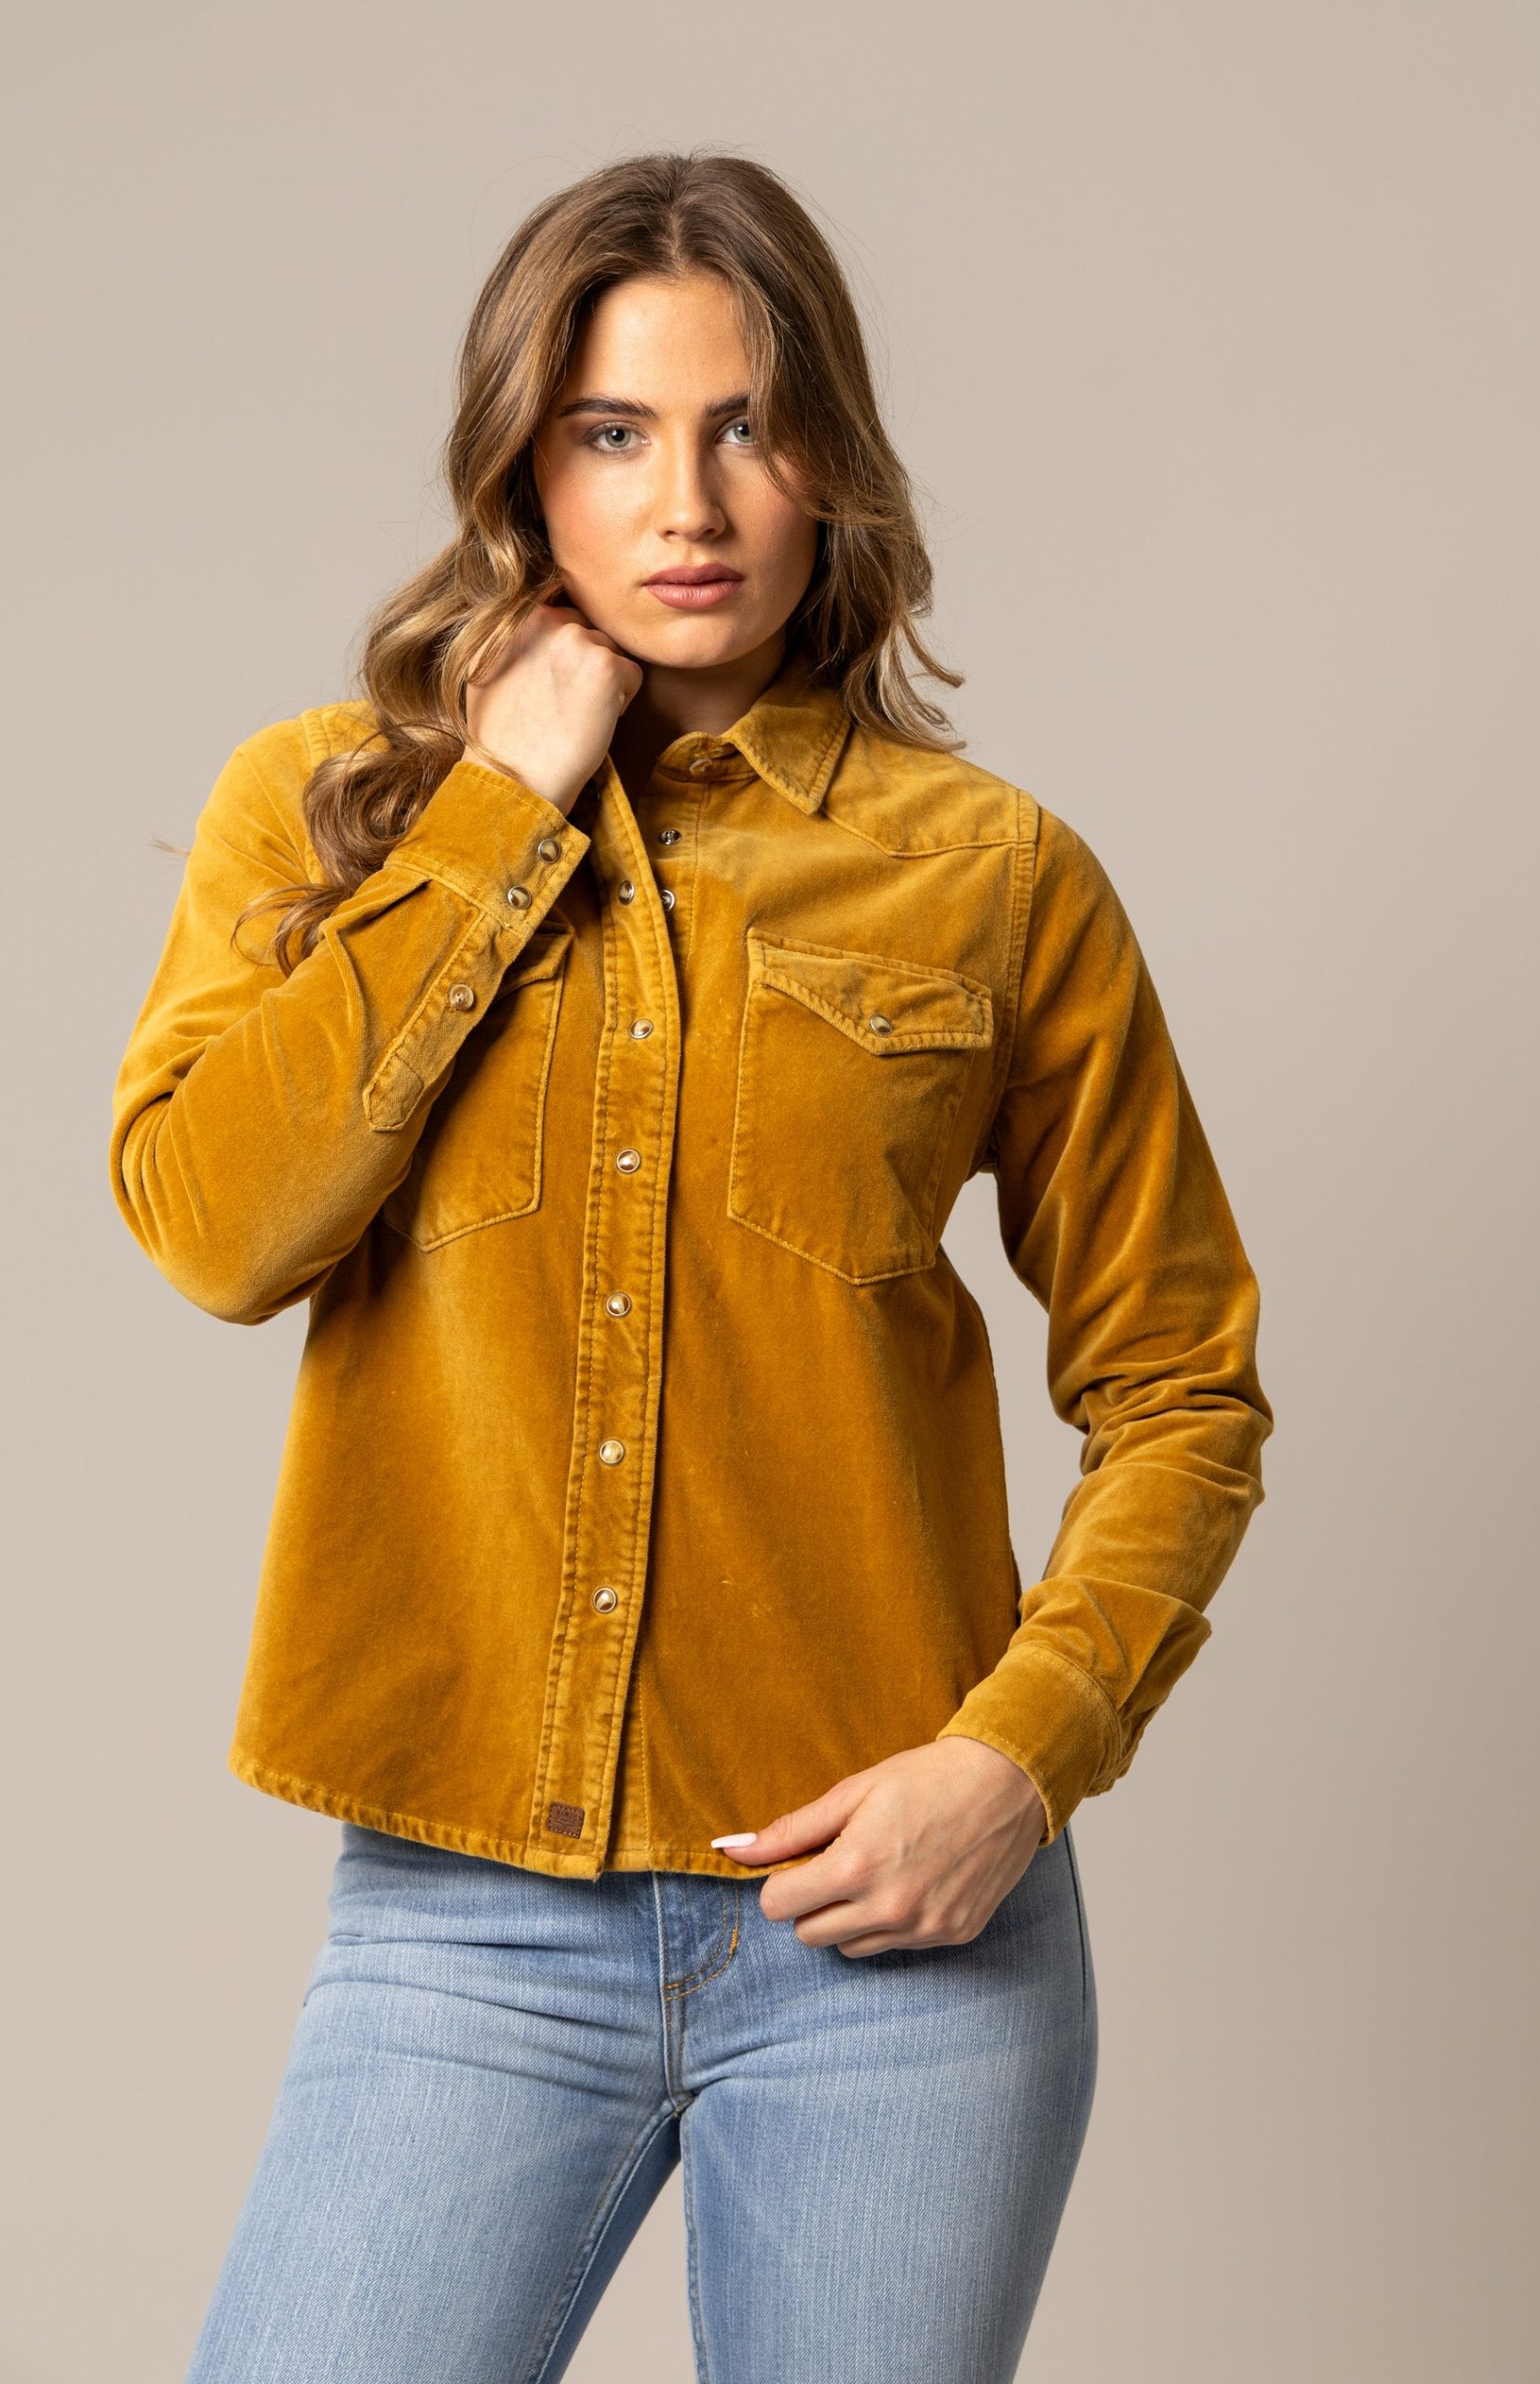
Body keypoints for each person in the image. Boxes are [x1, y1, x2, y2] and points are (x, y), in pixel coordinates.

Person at [109, 148, 1274, 2384]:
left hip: (898, 1943)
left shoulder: (989, 877)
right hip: (466, 1922)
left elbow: (1181, 1387)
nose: (689, 500)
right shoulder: (324, 806)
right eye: (612, 431)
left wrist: (1018, 1757)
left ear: (829, 454)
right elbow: (216, 1225)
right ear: (517, 466)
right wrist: (495, 813)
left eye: (748, 425)